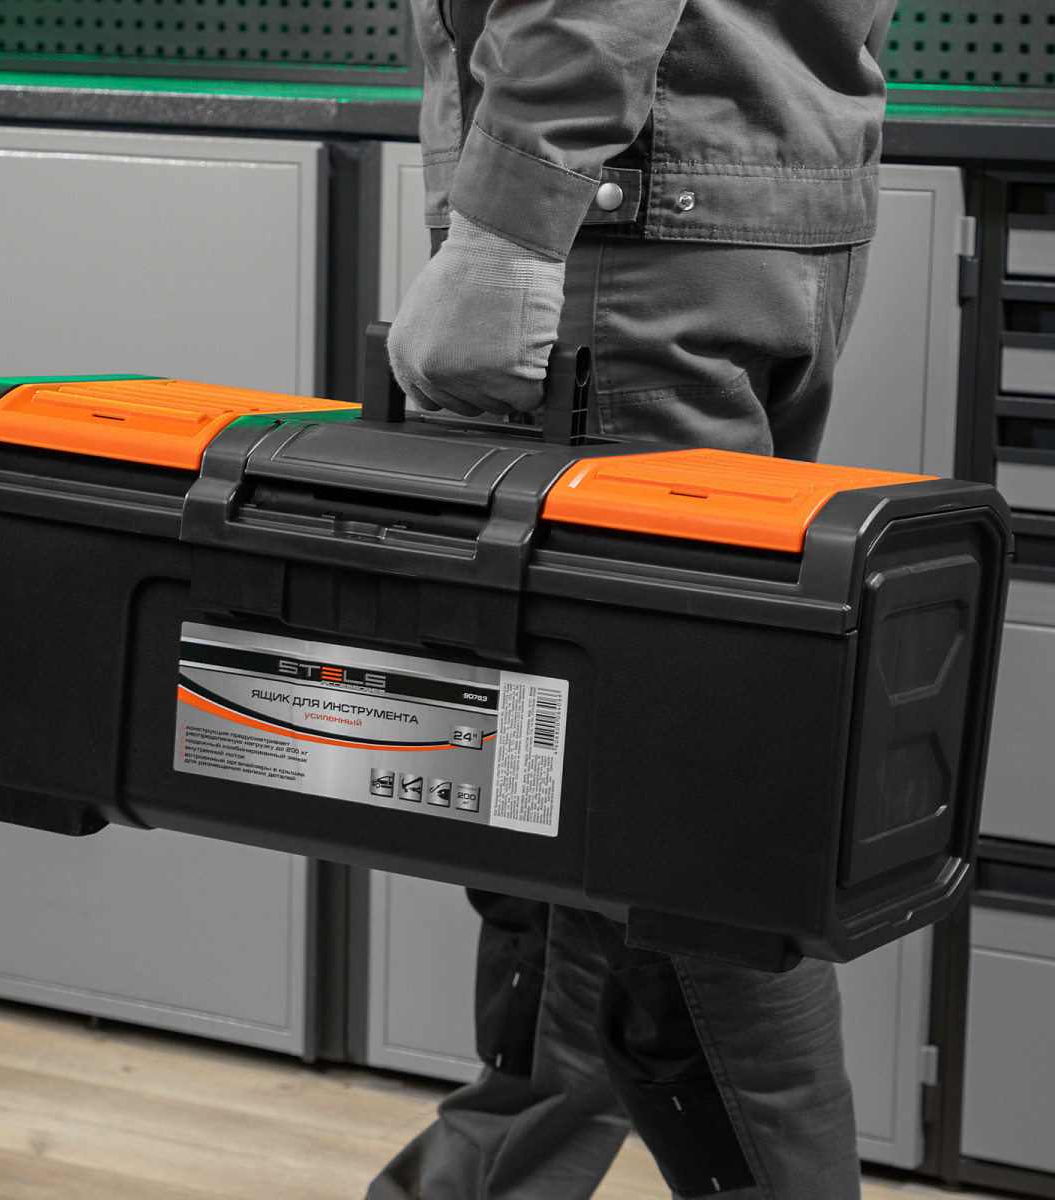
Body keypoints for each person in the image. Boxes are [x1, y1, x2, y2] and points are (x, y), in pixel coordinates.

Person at [368, 2, 897, 1197]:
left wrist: (509, 222)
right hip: (748, 196)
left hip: (625, 220)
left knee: (675, 830)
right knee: (575, 795)